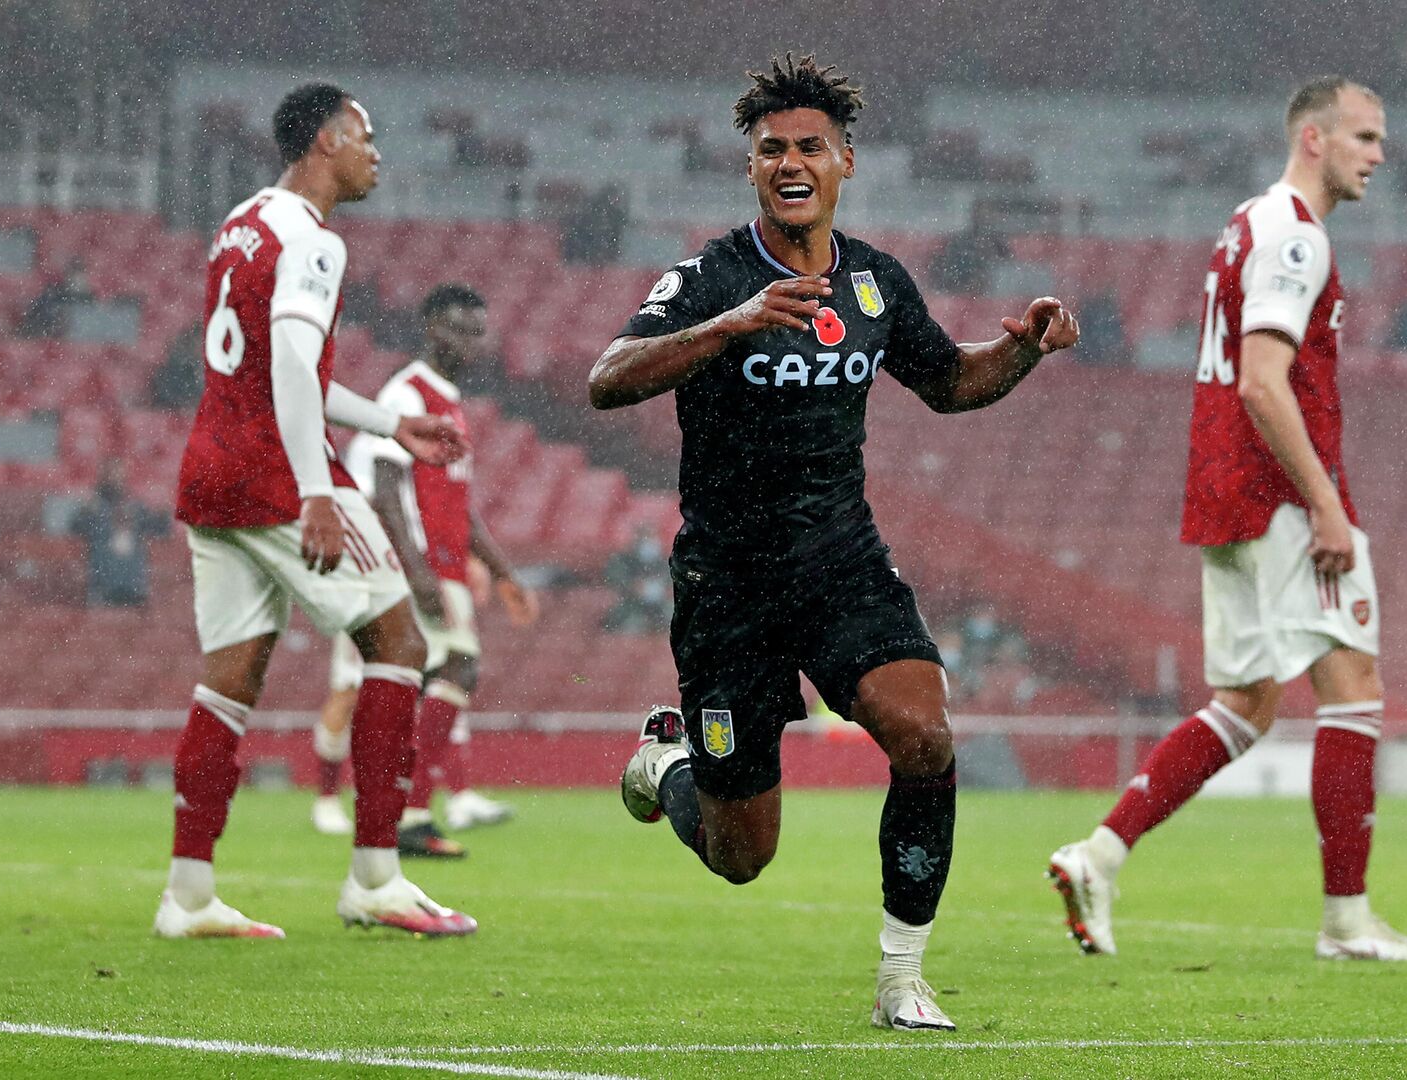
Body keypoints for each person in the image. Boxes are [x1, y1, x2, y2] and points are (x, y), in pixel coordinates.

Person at [592, 54, 1079, 1032]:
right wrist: (728, 326)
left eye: (808, 145)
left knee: (925, 735)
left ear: (845, 160)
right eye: (771, 149)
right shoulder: (711, 276)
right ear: (752, 169)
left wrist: (1021, 349)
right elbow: (608, 378)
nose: (789, 161)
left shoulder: (874, 282)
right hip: (728, 580)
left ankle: (902, 981)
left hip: (839, 560)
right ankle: (671, 768)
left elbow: (949, 383)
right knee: (742, 854)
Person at [1047, 77, 1407, 965]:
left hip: (1227, 490)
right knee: (1353, 691)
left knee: (1247, 703)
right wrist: (1327, 505)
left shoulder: (1246, 221)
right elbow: (1264, 383)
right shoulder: (1294, 240)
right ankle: (1347, 921)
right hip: (1277, 496)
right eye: (1365, 137)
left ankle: (1098, 855)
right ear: (1313, 137)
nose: (1379, 155)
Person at [157, 83, 477, 940]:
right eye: (367, 136)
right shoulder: (312, 238)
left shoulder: (240, 224)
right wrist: (315, 492)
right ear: (330, 137)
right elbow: (293, 374)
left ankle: (187, 894)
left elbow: (275, 365)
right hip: (274, 475)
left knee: (232, 674)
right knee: (402, 642)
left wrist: (389, 424)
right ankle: (376, 875)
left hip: (211, 471)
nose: (377, 154)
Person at [309, 284, 540, 851]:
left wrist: (503, 571)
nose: (468, 341)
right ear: (430, 326)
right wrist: (417, 573)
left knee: (432, 680)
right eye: (457, 328)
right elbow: (385, 489)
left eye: (476, 332)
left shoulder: (447, 399)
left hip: (443, 565)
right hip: (417, 566)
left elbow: (459, 504)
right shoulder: (408, 391)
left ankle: (400, 812)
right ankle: (402, 814)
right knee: (450, 671)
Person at [70, 461, 166, 607]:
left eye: (119, 475)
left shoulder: (134, 507)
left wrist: (163, 514)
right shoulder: (94, 508)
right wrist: (85, 510)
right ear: (103, 477)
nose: (115, 480)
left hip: (133, 589)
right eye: (111, 475)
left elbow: (161, 528)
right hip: (103, 589)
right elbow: (74, 527)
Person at [601, 524, 670, 633]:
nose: (649, 543)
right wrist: (631, 585)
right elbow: (613, 578)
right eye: (644, 538)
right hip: (631, 605)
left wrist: (664, 588)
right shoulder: (622, 560)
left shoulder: (666, 562)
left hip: (660, 606)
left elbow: (674, 581)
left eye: (651, 537)